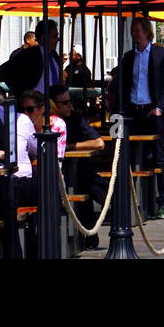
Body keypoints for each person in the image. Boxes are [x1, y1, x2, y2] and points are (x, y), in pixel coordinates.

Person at [120, 16, 164, 219]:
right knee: (133, 155)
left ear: (147, 32)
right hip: (135, 111)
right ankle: (136, 201)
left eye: (138, 30)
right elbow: (124, 84)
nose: (135, 34)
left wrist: (160, 107)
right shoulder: (128, 57)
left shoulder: (160, 54)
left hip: (154, 111)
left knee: (159, 157)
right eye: (133, 30)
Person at [49, 83, 105, 248]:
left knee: (87, 186)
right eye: (65, 103)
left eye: (70, 101)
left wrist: (69, 146)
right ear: (53, 104)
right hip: (58, 172)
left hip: (78, 170)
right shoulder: (44, 122)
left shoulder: (76, 118)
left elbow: (99, 143)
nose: (70, 106)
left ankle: (89, 237)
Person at [0, 20, 62, 98]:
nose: (58, 40)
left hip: (54, 104)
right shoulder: (30, 54)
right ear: (43, 38)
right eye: (54, 36)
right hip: (37, 104)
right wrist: (22, 94)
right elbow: (4, 70)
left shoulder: (55, 55)